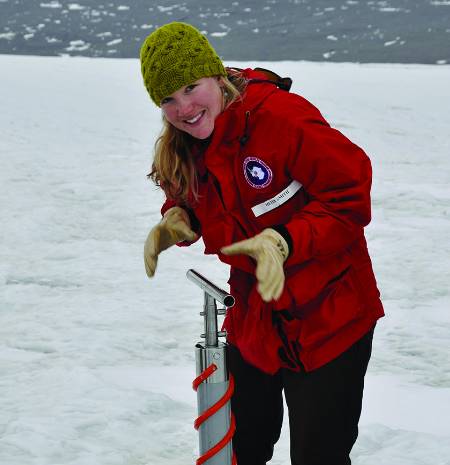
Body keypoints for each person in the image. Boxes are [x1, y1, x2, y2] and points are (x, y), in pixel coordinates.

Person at [139, 22, 384, 465]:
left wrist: (284, 243)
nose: (184, 107)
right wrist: (177, 220)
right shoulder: (191, 142)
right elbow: (200, 201)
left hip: (331, 318)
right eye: (168, 99)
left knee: (318, 456)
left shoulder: (280, 118)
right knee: (239, 447)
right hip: (257, 321)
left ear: (216, 76)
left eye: (191, 87)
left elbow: (350, 194)